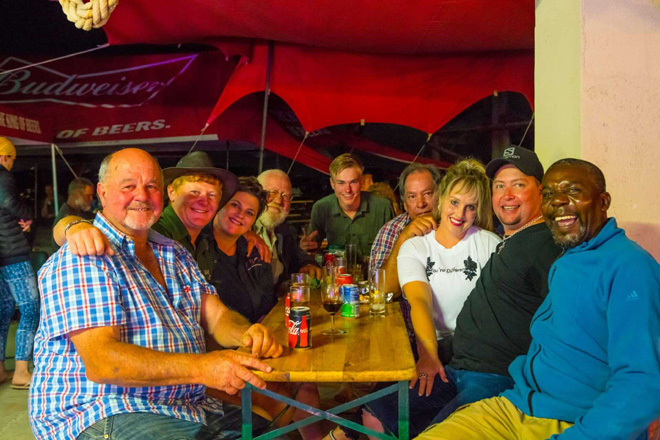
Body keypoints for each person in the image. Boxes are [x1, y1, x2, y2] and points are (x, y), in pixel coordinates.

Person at [29, 148, 282, 440]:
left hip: (181, 406)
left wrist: (246, 333)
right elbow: (103, 362)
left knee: (277, 433)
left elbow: (216, 315)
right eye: (129, 186)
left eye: (151, 186)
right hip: (101, 412)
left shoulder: (173, 253)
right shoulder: (85, 255)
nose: (142, 195)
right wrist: (203, 368)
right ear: (102, 192)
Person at [417, 158, 660, 440]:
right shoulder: (567, 259)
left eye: (572, 191)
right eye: (550, 194)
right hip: (517, 405)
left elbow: (641, 382)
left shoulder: (629, 267)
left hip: (570, 419)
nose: (558, 201)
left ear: (603, 201)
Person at [358, 159, 500, 438]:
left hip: (479, 356)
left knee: (450, 427)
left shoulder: (488, 243)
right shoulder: (415, 245)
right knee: (374, 414)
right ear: (442, 200)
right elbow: (418, 301)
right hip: (435, 349)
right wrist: (428, 353)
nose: (460, 213)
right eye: (455, 202)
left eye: (470, 206)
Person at [0, 137, 39, 390]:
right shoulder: (2, 175)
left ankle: (1, 369)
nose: (12, 164)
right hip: (12, 251)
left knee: (3, 312)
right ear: (5, 156)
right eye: (12, 158)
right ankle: (22, 371)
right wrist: (27, 215)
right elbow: (8, 202)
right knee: (31, 308)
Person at [209, 177, 275, 324]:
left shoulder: (255, 251)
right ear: (220, 204)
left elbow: (268, 300)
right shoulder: (199, 248)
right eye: (235, 205)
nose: (240, 214)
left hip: (257, 338)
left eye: (250, 213)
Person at [300, 153, 394, 257]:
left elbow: (396, 251)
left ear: (361, 182)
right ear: (332, 184)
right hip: (336, 272)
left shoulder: (383, 207)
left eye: (353, 182)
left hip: (374, 272)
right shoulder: (321, 208)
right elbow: (311, 249)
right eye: (341, 183)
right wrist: (305, 249)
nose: (348, 190)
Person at [255, 169, 320, 290]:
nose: (279, 201)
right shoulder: (242, 230)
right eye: (272, 192)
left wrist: (308, 264)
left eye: (285, 196)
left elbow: (297, 254)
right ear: (256, 194)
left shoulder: (281, 228)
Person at [50, 178, 95, 249]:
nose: (91, 199)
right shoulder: (66, 217)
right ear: (77, 195)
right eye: (88, 195)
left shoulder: (80, 212)